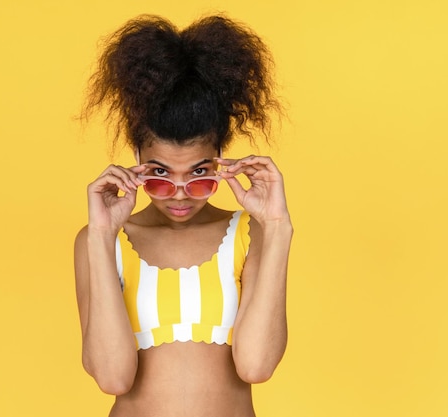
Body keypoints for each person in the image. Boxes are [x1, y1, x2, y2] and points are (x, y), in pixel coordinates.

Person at [74, 14, 293, 417]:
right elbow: (112, 377)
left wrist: (278, 229)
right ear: (137, 158)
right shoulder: (100, 240)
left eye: (199, 175)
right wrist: (103, 237)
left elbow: (256, 366)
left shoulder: (250, 234)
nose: (179, 195)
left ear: (221, 159)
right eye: (159, 175)